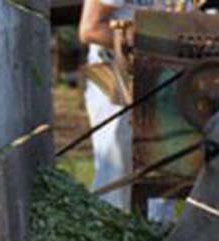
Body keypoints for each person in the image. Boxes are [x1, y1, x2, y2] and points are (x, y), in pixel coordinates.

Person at [78, 0, 190, 218]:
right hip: (116, 76)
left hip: (163, 76)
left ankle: (155, 238)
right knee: (118, 169)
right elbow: (90, 29)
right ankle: (110, 238)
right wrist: (152, 46)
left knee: (164, 169)